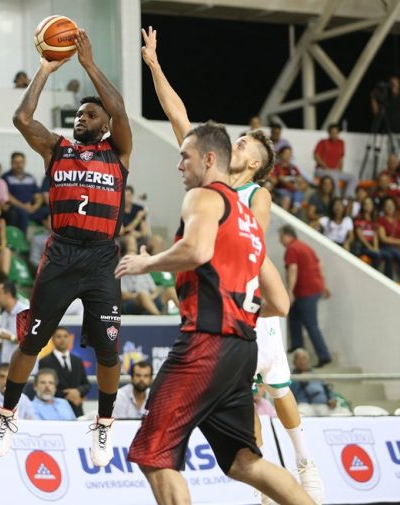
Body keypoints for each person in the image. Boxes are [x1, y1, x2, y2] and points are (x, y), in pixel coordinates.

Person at [139, 26, 322, 504]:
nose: (237, 144)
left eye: (245, 145)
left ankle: (306, 460)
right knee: (243, 453)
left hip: (234, 313)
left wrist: (148, 262)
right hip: (234, 321)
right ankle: (278, 485)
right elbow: (177, 115)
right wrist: (155, 66)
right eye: (236, 141)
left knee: (275, 387)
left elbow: (243, 250)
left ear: (254, 164)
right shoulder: (208, 174)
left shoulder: (249, 196)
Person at [115, 121, 311, 505]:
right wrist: (237, 308)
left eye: (184, 158)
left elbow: (197, 251)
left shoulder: (203, 198)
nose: (179, 166)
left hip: (205, 343)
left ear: (208, 160)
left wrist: (146, 263)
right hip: (242, 348)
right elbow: (280, 303)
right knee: (244, 462)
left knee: (154, 453)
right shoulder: (249, 221)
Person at [0, 29, 133, 468]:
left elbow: (120, 109)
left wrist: (88, 64)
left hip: (102, 258)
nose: (80, 118)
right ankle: (7, 414)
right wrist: (44, 69)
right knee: (31, 342)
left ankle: (104, 422)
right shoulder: (57, 148)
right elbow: (21, 118)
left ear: (104, 125)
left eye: (90, 114)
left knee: (108, 351)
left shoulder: (118, 152)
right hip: (62, 255)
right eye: (78, 114)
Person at [279, 225, 333, 367]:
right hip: (313, 289)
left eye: (281, 237)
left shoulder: (291, 249)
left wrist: (290, 291)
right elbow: (319, 264)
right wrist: (323, 284)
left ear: (287, 235)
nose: (280, 240)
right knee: (294, 315)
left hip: (305, 290)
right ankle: (296, 345)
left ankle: (324, 355)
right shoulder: (305, 247)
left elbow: (293, 269)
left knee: (311, 324)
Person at [38, 326, 91, 417]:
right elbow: (45, 385)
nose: (62, 339)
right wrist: (69, 395)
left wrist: (78, 391)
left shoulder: (77, 361)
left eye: (65, 336)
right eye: (58, 336)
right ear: (52, 339)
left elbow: (86, 384)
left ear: (69, 339)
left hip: (77, 410)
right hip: (55, 410)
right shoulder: (45, 362)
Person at [370, 76, 400, 161]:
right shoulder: (387, 99)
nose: (392, 84)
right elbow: (376, 112)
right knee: (393, 159)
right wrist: (373, 98)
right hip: (391, 134)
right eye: (391, 82)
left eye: (394, 82)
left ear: (399, 84)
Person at [289, 349, 349, 417]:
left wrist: (332, 399)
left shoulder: (315, 375)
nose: (302, 362)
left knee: (345, 412)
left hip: (322, 405)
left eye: (304, 359)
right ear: (294, 362)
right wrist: (300, 379)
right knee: (298, 416)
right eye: (299, 359)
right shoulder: (292, 377)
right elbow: (291, 393)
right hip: (305, 405)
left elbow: (328, 388)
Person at [2, 151, 45, 232]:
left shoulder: (30, 177)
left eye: (21, 162)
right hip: (15, 208)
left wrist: (34, 207)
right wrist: (23, 206)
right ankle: (22, 238)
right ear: (11, 163)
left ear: (25, 163)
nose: (19, 165)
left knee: (48, 211)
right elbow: (7, 196)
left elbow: (38, 196)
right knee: (22, 213)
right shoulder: (5, 178)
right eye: (16, 162)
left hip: (31, 208)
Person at [0, 281, 28, 363]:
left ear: (8, 295)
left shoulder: (25, 312)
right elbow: (5, 345)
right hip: (6, 363)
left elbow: (29, 341)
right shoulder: (4, 315)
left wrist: (10, 337)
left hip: (23, 364)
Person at [314, 124, 356, 198]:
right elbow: (316, 156)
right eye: (332, 132)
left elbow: (341, 158)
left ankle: (348, 197)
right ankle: (336, 198)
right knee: (334, 176)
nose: (334, 134)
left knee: (352, 177)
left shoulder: (341, 142)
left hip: (335, 171)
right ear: (329, 133)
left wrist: (340, 170)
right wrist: (326, 167)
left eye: (336, 132)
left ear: (338, 133)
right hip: (321, 170)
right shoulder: (323, 142)